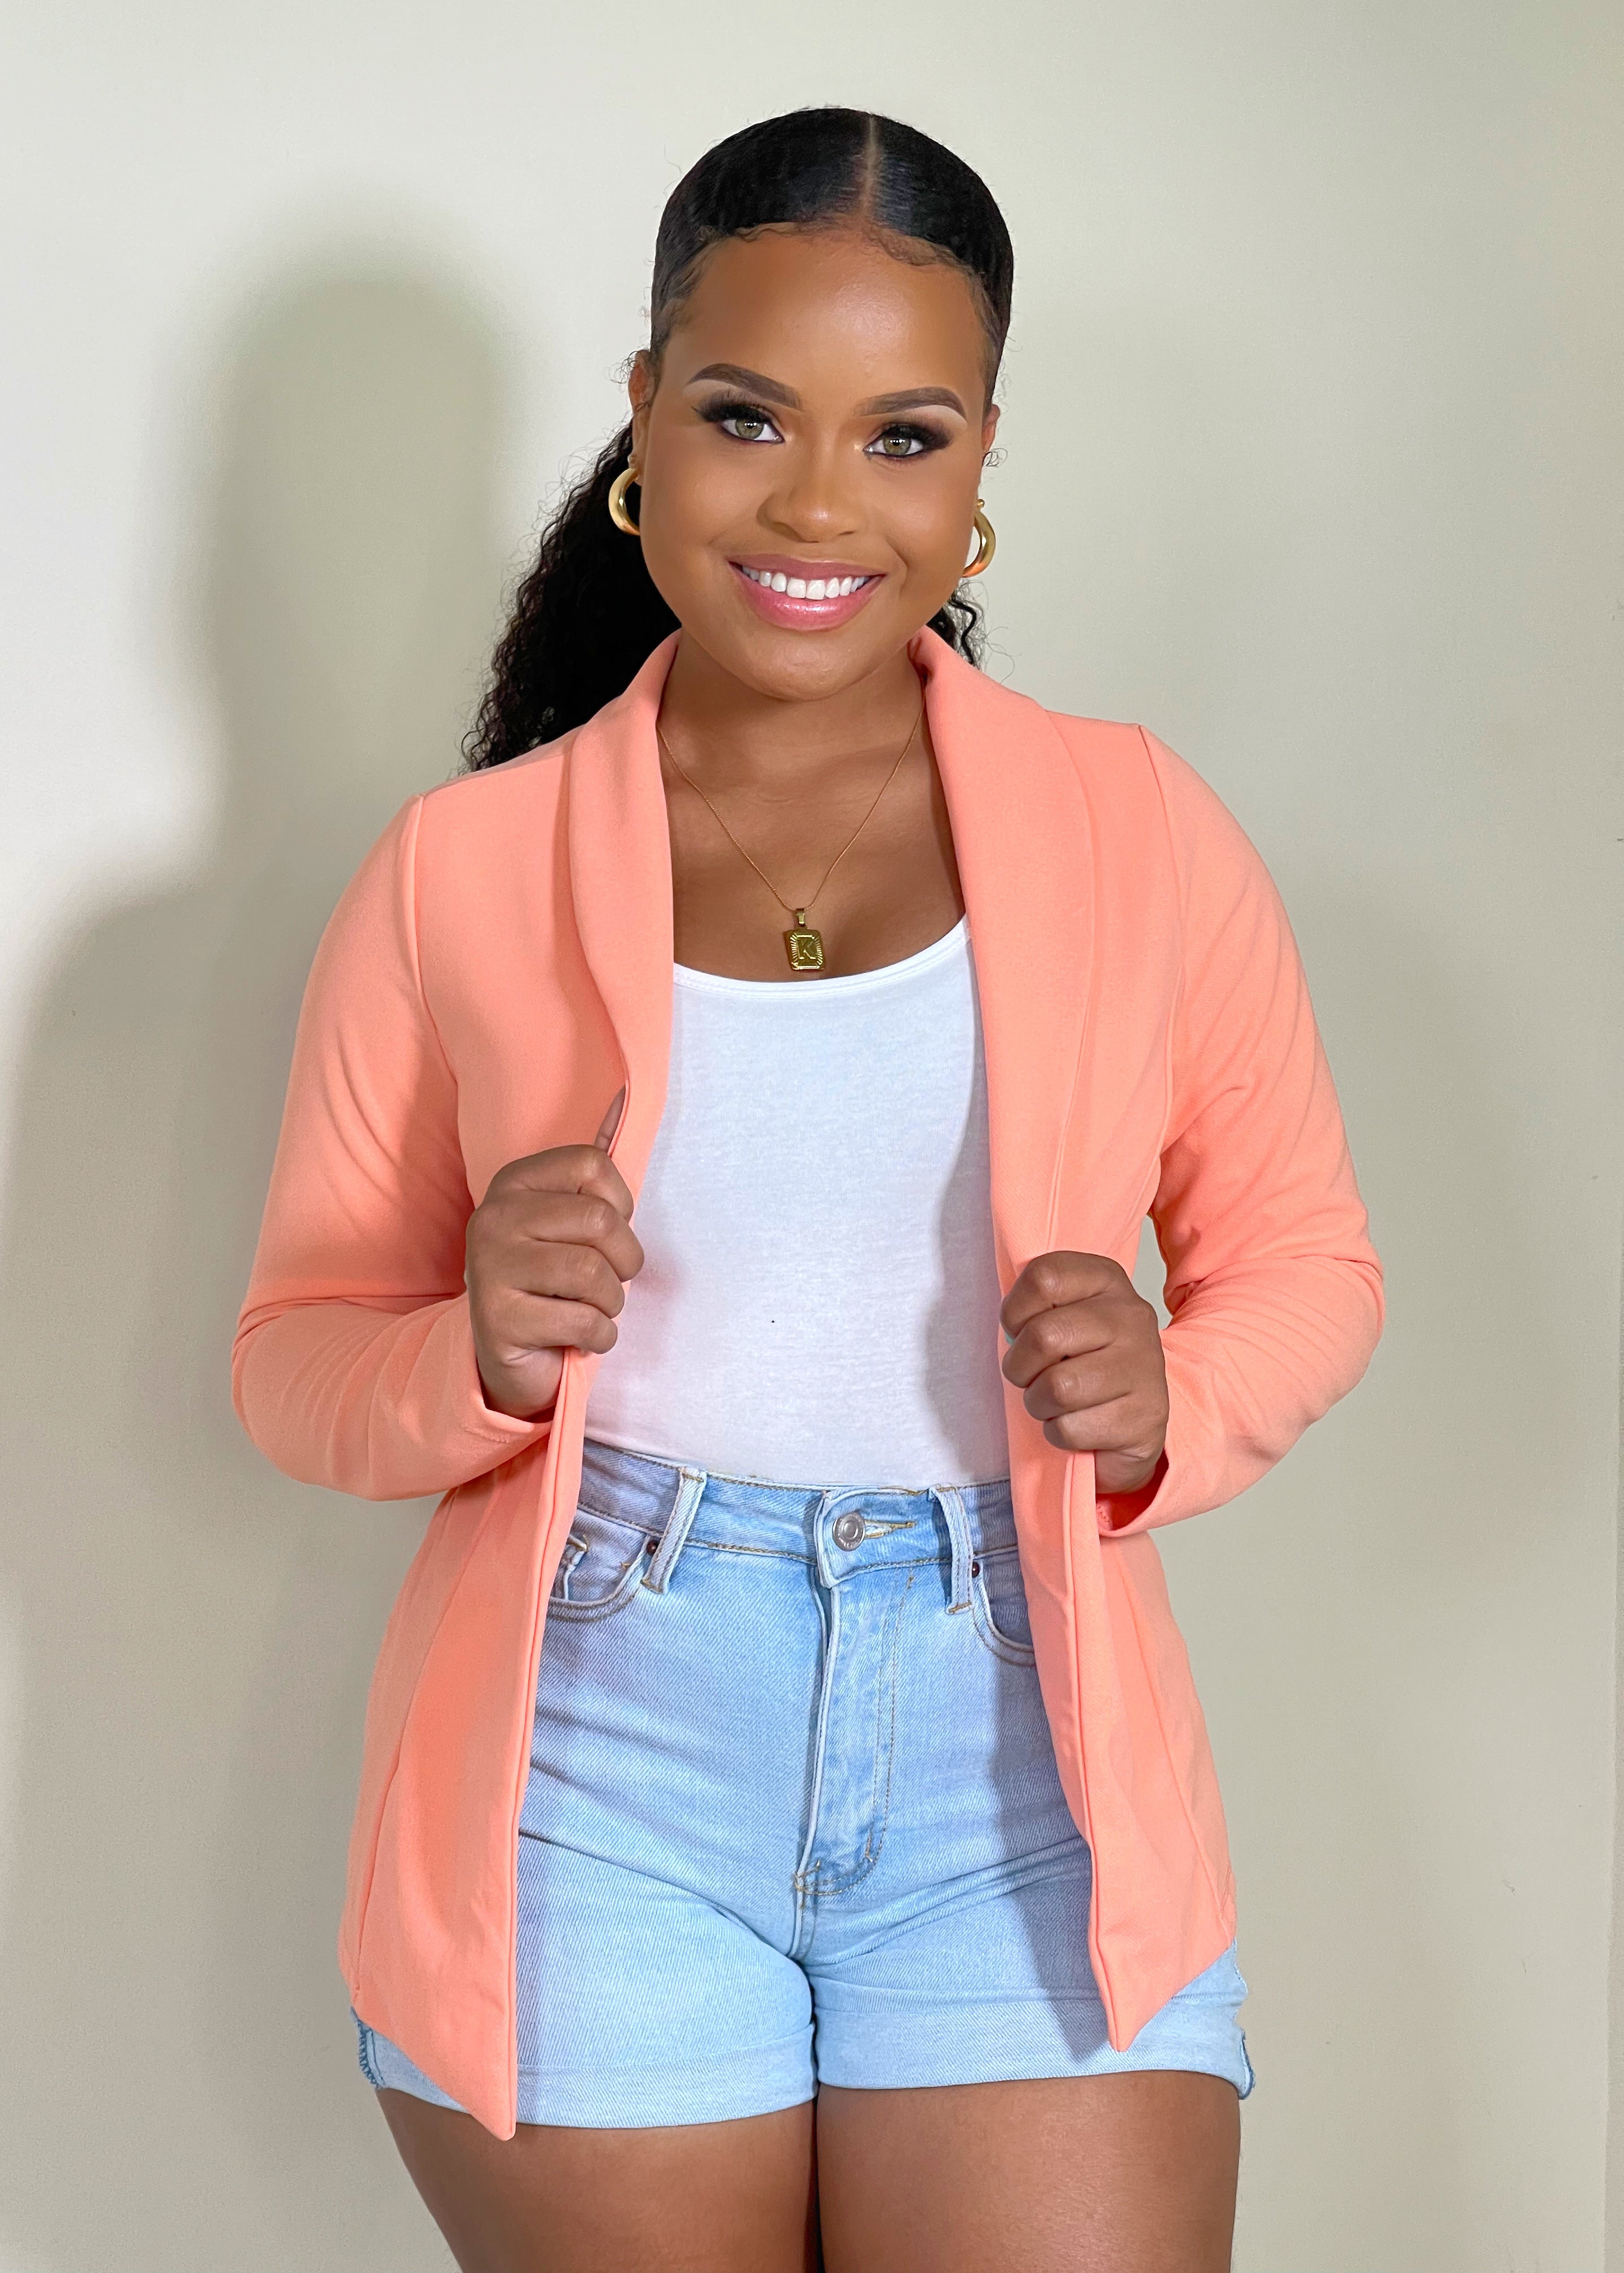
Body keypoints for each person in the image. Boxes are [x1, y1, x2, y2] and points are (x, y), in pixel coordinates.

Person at [232, 105, 1384, 2273]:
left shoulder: (1136, 829)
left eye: (905, 436)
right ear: (645, 417)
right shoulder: (461, 869)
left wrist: (1177, 1397)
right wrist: (472, 1350)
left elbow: (1308, 1259)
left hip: (1022, 1768)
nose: (819, 506)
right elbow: (295, 1356)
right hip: (593, 1776)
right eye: (747, 415)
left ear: (979, 466)